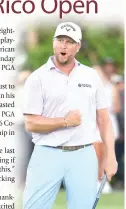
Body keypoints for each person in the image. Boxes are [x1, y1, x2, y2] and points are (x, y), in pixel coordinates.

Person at [22, 22, 118, 209]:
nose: (63, 45)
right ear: (53, 43)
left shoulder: (91, 76)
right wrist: (65, 122)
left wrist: (111, 157)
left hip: (84, 155)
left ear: (78, 46)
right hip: (46, 153)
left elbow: (104, 119)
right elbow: (30, 123)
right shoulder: (37, 78)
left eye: (69, 41)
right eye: (60, 40)